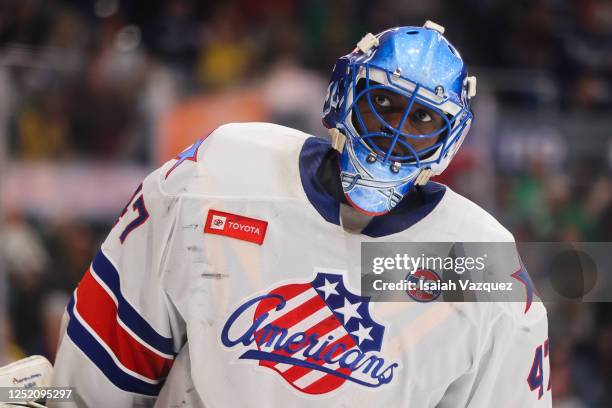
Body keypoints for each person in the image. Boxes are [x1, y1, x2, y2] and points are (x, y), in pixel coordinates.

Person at [50, 22, 551, 407]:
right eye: (383, 102)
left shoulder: (481, 264)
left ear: (450, 139)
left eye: (422, 117)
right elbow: (98, 376)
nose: (395, 132)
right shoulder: (219, 174)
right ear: (343, 94)